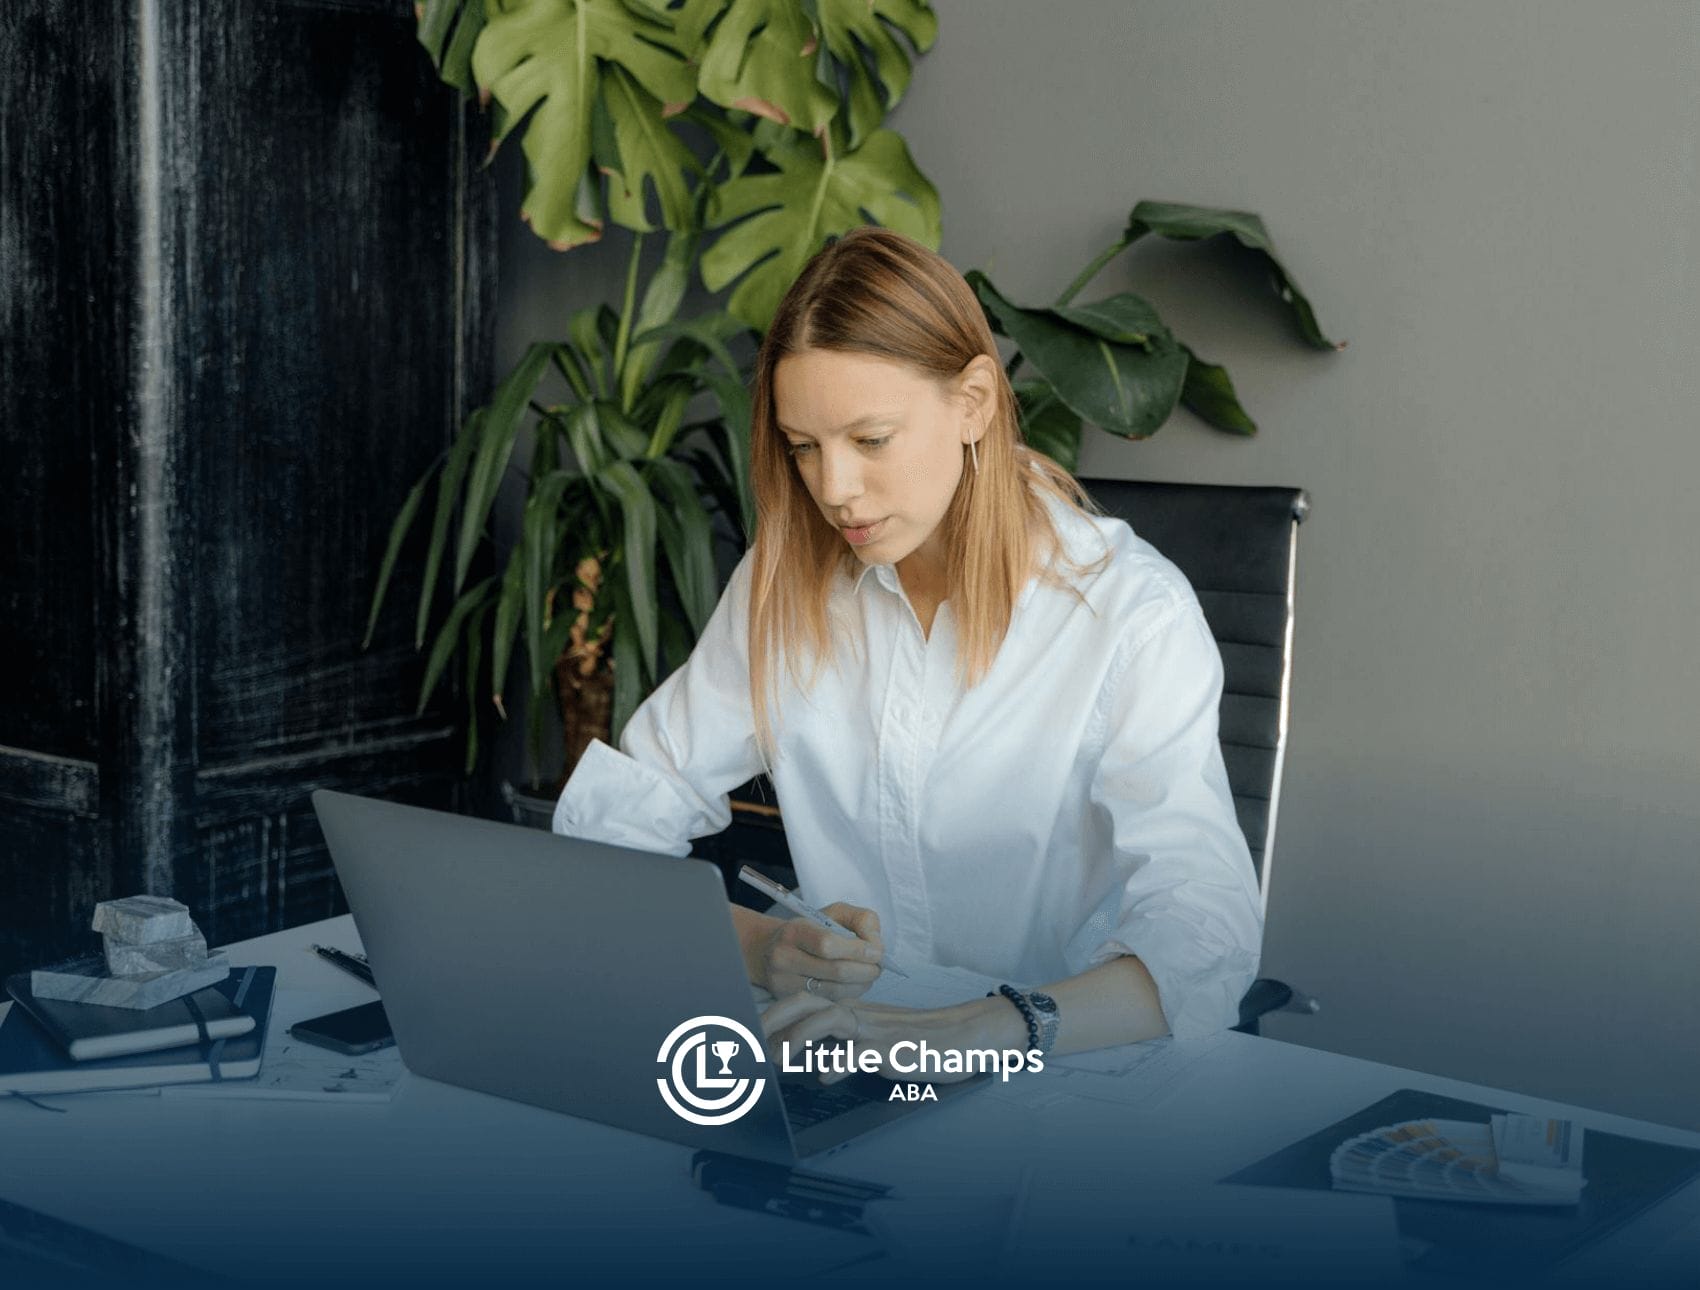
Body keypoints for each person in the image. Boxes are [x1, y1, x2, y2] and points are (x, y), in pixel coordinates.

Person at [554, 227, 1263, 1079]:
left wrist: (966, 1033)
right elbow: (616, 824)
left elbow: (1203, 942)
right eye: (804, 447)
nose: (834, 489)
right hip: (841, 1059)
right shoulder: (784, 586)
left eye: (872, 439)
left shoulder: (1131, 614)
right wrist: (763, 946)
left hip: (1071, 1078)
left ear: (972, 403)